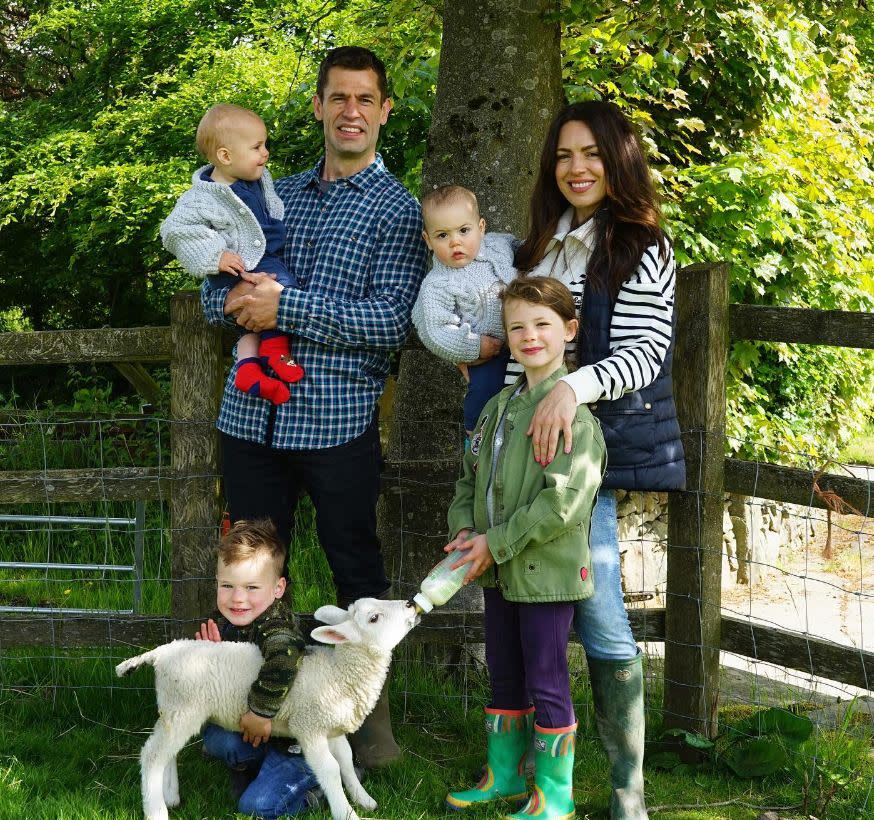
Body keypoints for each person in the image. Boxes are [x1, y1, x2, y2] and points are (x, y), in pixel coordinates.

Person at [199, 46, 427, 769]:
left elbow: (393, 319)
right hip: (252, 422)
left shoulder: (398, 211)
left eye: (365, 99)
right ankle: (250, 722)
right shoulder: (272, 193)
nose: (351, 111)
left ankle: (366, 724)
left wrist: (286, 305)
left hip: (337, 423)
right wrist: (239, 300)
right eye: (338, 98)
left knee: (354, 559)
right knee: (253, 566)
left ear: (384, 111)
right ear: (319, 107)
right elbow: (216, 285)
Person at [514, 100, 687, 820]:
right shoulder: (545, 244)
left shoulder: (643, 246)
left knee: (599, 611)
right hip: (523, 451)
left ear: (618, 159)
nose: (575, 167)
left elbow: (645, 353)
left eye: (589, 153)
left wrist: (567, 392)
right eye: (563, 155)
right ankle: (537, 773)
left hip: (591, 456)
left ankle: (627, 794)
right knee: (528, 599)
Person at [442, 276, 606, 820]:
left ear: (569, 330)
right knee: (503, 671)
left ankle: (554, 794)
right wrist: (467, 530)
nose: (529, 336)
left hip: (543, 573)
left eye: (542, 324)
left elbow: (562, 506)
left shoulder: (576, 421)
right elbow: (469, 479)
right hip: (496, 569)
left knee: (546, 677)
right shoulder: (495, 408)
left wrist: (498, 541)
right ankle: (503, 775)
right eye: (517, 327)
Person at [162, 104, 304, 405]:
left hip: (258, 261)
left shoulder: (254, 179)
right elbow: (175, 230)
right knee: (284, 290)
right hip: (233, 269)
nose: (265, 153)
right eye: (256, 147)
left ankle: (248, 368)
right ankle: (277, 351)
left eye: (264, 145)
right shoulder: (202, 196)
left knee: (250, 317)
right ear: (225, 156)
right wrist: (216, 256)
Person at [196, 519, 319, 818]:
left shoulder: (275, 625)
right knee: (216, 739)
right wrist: (213, 659)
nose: (238, 598)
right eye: (227, 586)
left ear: (278, 589)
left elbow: (284, 657)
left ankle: (320, 787)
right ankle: (252, 766)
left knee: (257, 807)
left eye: (252, 587)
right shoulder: (226, 620)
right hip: (260, 733)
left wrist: (261, 712)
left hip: (296, 742)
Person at [411, 184, 515, 434]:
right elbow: (436, 332)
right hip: (490, 353)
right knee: (484, 395)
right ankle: (476, 442)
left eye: (464, 230)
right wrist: (474, 346)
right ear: (428, 240)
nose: (455, 241)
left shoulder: (499, 246)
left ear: (481, 228)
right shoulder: (438, 283)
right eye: (442, 235)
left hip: (525, 339)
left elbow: (522, 247)